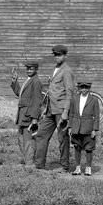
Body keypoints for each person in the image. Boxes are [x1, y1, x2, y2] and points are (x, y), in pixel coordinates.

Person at [33, 43, 75, 171]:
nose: (57, 57)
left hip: (61, 110)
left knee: (62, 138)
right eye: (55, 55)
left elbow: (70, 92)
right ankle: (39, 164)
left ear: (65, 56)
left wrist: (65, 112)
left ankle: (65, 166)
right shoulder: (56, 68)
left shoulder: (67, 71)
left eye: (59, 55)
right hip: (51, 109)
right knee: (41, 134)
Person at [10, 60, 44, 166]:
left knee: (28, 140)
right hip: (22, 115)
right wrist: (15, 81)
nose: (29, 70)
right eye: (27, 68)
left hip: (29, 116)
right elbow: (19, 93)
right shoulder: (28, 80)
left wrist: (34, 118)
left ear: (36, 70)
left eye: (31, 68)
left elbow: (37, 101)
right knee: (21, 139)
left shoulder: (36, 82)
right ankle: (27, 161)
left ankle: (29, 164)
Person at [67, 78, 100, 176]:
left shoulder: (94, 100)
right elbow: (71, 113)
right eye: (82, 87)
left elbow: (97, 116)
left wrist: (94, 129)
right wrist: (70, 127)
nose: (84, 89)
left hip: (88, 128)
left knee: (88, 148)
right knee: (77, 147)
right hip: (76, 127)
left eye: (86, 87)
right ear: (79, 88)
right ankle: (77, 168)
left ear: (89, 88)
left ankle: (88, 168)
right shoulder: (74, 98)